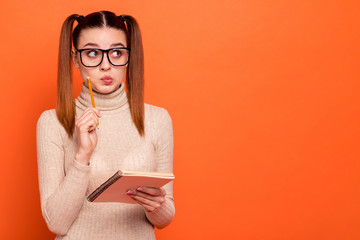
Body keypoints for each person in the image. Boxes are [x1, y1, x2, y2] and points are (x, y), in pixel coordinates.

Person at [36, 11, 175, 239]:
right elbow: (56, 224)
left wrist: (157, 205)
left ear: (128, 57)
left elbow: (165, 219)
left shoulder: (158, 119)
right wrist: (82, 156)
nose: (106, 65)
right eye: (92, 53)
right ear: (75, 58)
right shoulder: (52, 123)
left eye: (116, 53)